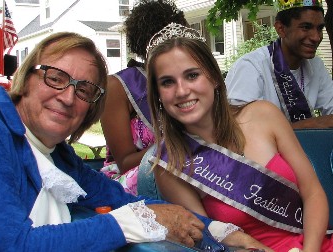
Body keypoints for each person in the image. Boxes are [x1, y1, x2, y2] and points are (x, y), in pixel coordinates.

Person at [0, 31, 227, 251]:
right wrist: (132, 222)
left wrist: (222, 230)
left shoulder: (59, 157)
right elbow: (9, 245)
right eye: (56, 78)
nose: (68, 97)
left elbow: (124, 200)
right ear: (25, 77)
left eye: (84, 90)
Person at [146, 22, 333, 251]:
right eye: (167, 82)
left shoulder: (263, 115)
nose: (182, 90)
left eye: (192, 75)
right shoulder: (171, 163)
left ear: (214, 78)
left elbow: (313, 193)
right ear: (158, 95)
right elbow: (209, 239)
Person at [100, 0, 189, 195]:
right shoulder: (118, 87)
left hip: (186, 171)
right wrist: (181, 142)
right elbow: (124, 163)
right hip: (134, 180)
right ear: (146, 45)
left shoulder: (189, 82)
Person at [225, 0, 333, 129]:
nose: (316, 37)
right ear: (281, 29)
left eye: (320, 28)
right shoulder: (251, 67)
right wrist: (310, 124)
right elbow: (241, 129)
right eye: (306, 27)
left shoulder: (316, 65)